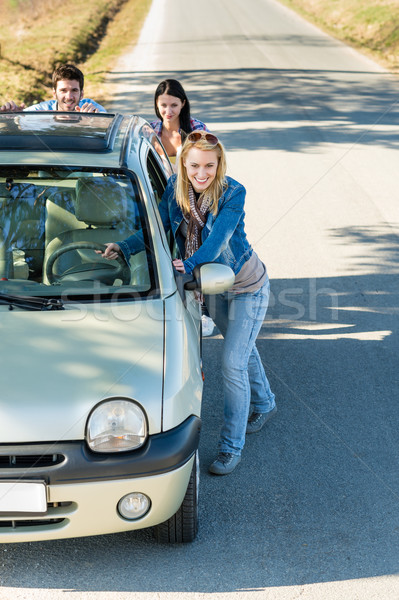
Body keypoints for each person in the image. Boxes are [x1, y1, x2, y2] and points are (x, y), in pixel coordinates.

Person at [99, 130, 277, 475]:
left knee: (232, 362)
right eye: (195, 165)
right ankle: (266, 402)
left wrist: (191, 264)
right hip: (213, 287)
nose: (202, 173)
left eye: (209, 165)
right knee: (242, 350)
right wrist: (125, 247)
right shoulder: (175, 191)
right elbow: (158, 228)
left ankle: (230, 448)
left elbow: (219, 239)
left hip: (246, 286)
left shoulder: (232, 193)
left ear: (218, 164)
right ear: (184, 163)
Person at [0, 64, 106, 113]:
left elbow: (107, 124)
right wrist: (11, 117)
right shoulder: (43, 109)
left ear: (82, 94)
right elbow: (22, 119)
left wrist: (94, 121)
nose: (69, 97)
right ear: (54, 94)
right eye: (63, 90)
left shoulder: (91, 108)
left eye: (74, 90)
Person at [150, 79, 208, 169]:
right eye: (163, 105)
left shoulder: (197, 129)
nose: (168, 111)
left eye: (174, 105)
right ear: (157, 104)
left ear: (183, 103)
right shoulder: (150, 131)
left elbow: (212, 162)